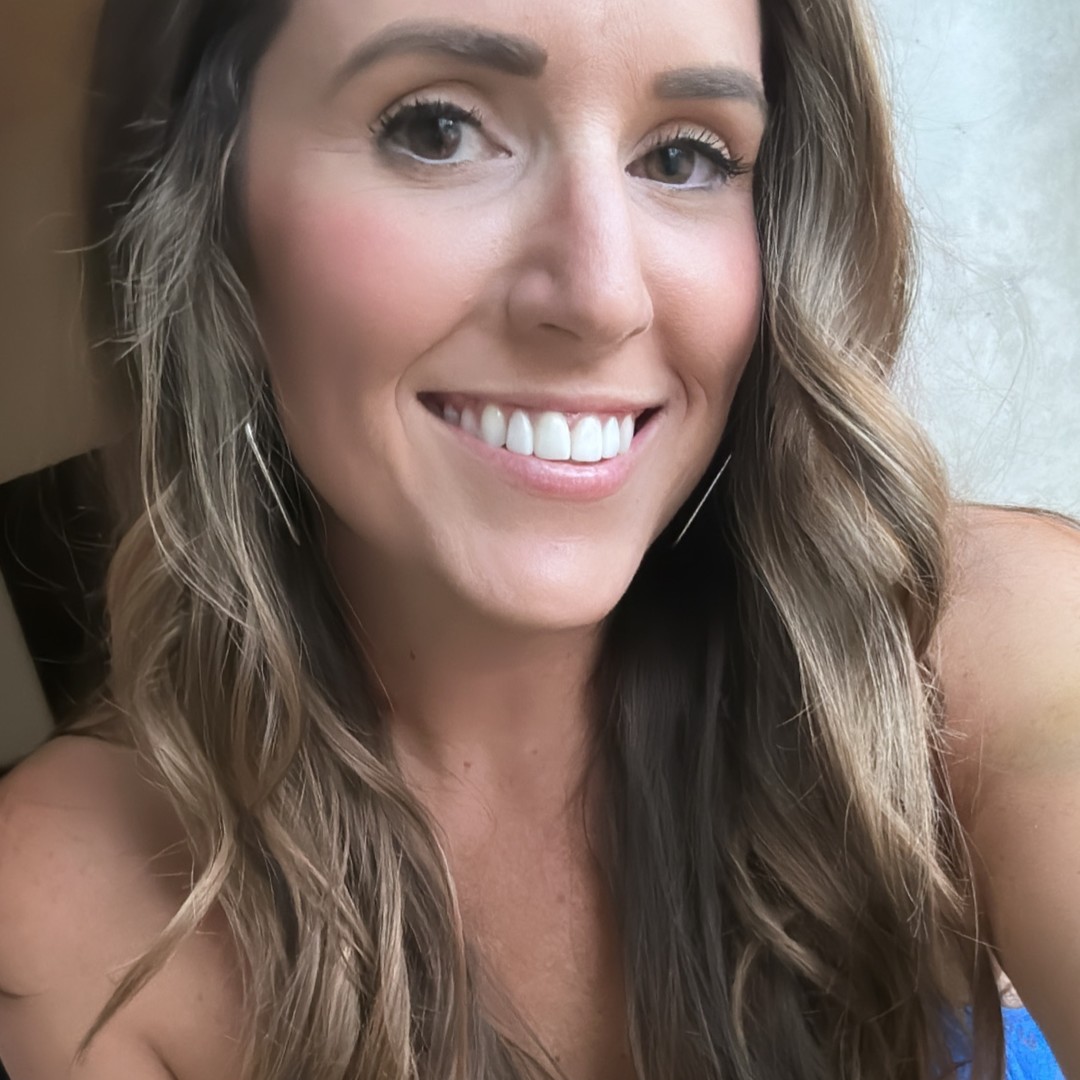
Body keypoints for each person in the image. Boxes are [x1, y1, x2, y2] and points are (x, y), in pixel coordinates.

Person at [0, 0, 1076, 1076]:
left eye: (686, 157)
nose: (602, 297)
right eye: (436, 130)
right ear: (209, 206)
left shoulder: (969, 647)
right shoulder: (72, 912)